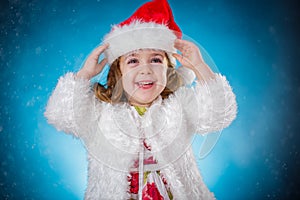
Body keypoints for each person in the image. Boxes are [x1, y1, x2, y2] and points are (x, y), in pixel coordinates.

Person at [44, 0, 237, 199]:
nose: (145, 69)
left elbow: (217, 115)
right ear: (119, 72)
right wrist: (84, 74)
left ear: (168, 69)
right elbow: (62, 116)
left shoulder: (178, 104)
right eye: (133, 61)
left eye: (155, 60)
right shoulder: (102, 110)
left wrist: (200, 67)